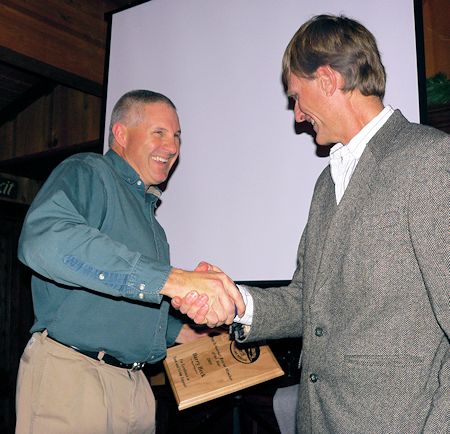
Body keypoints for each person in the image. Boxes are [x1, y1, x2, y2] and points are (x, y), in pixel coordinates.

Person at [172, 15, 450, 434]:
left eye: (297, 98)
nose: (298, 116)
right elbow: (308, 301)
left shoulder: (428, 159)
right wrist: (237, 303)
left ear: (326, 79)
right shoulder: (327, 182)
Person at [15, 89, 244, 434]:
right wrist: (176, 280)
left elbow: (117, 303)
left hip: (136, 387)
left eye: (177, 136)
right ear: (121, 134)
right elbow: (43, 240)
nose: (172, 147)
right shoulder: (88, 171)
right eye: (160, 133)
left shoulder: (154, 225)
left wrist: (181, 332)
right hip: (75, 376)